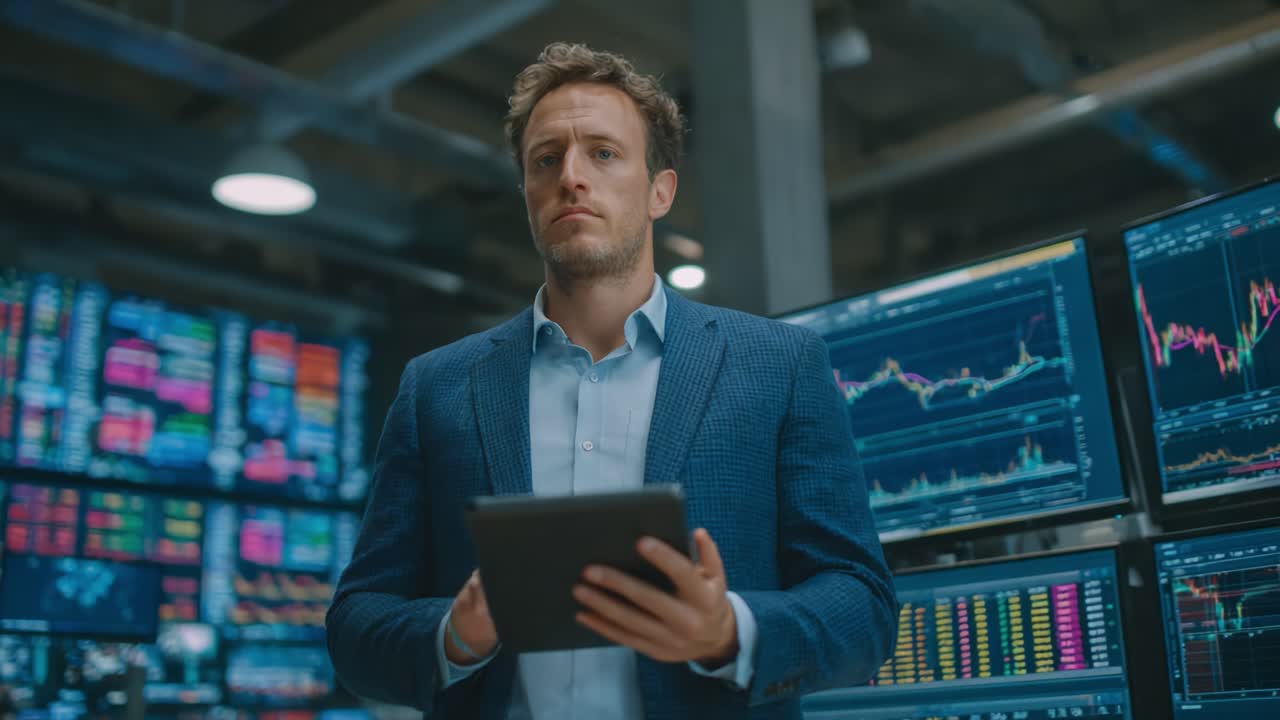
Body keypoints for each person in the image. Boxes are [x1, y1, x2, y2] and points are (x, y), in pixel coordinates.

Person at [327, 42, 897, 720]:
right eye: (546, 159)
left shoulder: (780, 366)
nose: (571, 176)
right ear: (527, 194)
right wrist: (455, 634)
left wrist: (729, 631)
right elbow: (357, 625)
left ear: (661, 191)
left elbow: (863, 606)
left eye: (602, 153)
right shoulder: (436, 387)